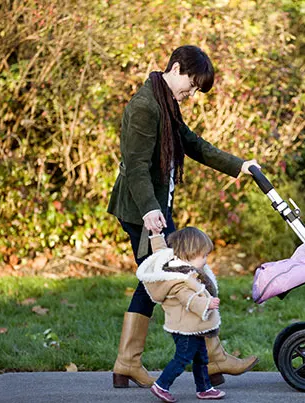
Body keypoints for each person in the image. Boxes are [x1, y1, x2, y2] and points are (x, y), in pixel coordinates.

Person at [108, 45, 260, 389]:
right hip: (142, 212)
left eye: (195, 90)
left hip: (153, 211)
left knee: (159, 282)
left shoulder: (165, 102)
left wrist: (239, 166)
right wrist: (150, 210)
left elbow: (193, 143)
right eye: (191, 85)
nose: (190, 94)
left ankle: (128, 363)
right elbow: (135, 167)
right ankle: (210, 357)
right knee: (179, 277)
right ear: (176, 68)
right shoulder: (146, 106)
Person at [139, 227, 225, 402]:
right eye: (204, 256)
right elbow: (188, 299)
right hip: (184, 328)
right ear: (190, 254)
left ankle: (204, 388)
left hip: (193, 327)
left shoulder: (174, 263)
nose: (206, 260)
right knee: (183, 358)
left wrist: (156, 235)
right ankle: (162, 384)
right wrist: (207, 304)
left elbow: (160, 252)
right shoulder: (179, 278)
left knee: (201, 357)